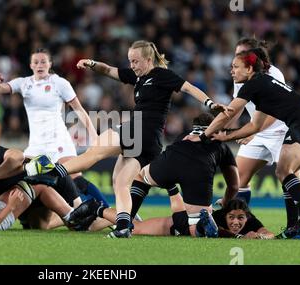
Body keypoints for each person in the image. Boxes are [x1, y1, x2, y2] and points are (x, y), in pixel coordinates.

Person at [26, 40, 231, 238]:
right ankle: (124, 226)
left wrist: (210, 103)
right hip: (149, 141)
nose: (132, 66)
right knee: (121, 182)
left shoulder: (161, 75)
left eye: (135, 61)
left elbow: (188, 87)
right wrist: (92, 64)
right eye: (130, 61)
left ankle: (51, 173)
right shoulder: (139, 77)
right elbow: (109, 70)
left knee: (95, 152)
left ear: (148, 59)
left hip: (140, 129)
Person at [29, 112, 239, 237]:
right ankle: (109, 211)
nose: (236, 222)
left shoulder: (185, 139)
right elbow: (234, 185)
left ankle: (104, 209)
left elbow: (178, 196)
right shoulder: (220, 146)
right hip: (181, 217)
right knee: (139, 225)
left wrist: (171, 185)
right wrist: (228, 208)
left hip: (168, 164)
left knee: (137, 186)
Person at [185, 48, 300, 238]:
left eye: (236, 67)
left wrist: (203, 136)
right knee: (285, 171)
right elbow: (255, 126)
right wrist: (226, 137)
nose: (232, 71)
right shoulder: (263, 85)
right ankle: (294, 226)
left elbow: (228, 114)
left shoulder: (253, 84)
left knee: (285, 170)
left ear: (249, 68)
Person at [0, 48, 109, 212]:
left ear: (50, 64)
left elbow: (79, 110)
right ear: (31, 65)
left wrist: (95, 137)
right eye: (36, 62)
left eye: (43, 61)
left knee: (75, 180)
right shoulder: (24, 83)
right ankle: (59, 214)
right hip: (37, 145)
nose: (40, 65)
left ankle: (110, 212)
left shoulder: (59, 83)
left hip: (59, 141)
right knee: (26, 177)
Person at [0, 137, 91, 230]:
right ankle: (75, 217)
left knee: (41, 224)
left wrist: (23, 169)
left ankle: (74, 215)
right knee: (40, 187)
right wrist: (11, 205)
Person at [224, 38, 295, 208]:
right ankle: (241, 221)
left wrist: (252, 132)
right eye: (236, 54)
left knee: (290, 177)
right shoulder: (239, 75)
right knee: (239, 178)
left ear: (253, 56)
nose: (235, 59)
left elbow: (275, 111)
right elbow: (237, 107)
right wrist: (219, 129)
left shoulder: (273, 74)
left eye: (241, 54)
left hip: (281, 131)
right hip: (256, 130)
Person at [97, 198, 274, 239]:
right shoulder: (217, 216)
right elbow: (218, 232)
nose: (236, 222)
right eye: (232, 217)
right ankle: (97, 209)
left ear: (247, 217)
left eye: (241, 218)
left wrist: (261, 236)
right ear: (224, 215)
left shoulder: (251, 221)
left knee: (136, 224)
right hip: (176, 225)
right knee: (135, 228)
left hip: (185, 229)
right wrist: (240, 237)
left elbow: (268, 233)